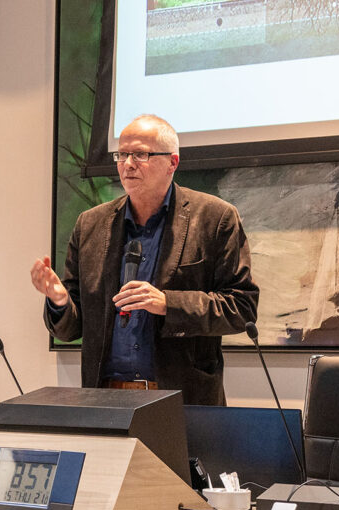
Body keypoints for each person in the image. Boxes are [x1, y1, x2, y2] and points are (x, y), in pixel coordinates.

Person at [30, 114, 258, 406]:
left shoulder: (215, 219)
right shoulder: (90, 225)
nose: (127, 164)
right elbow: (71, 329)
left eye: (140, 154)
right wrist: (60, 302)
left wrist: (167, 303)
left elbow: (242, 308)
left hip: (181, 400)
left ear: (172, 163)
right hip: (105, 398)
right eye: (122, 154)